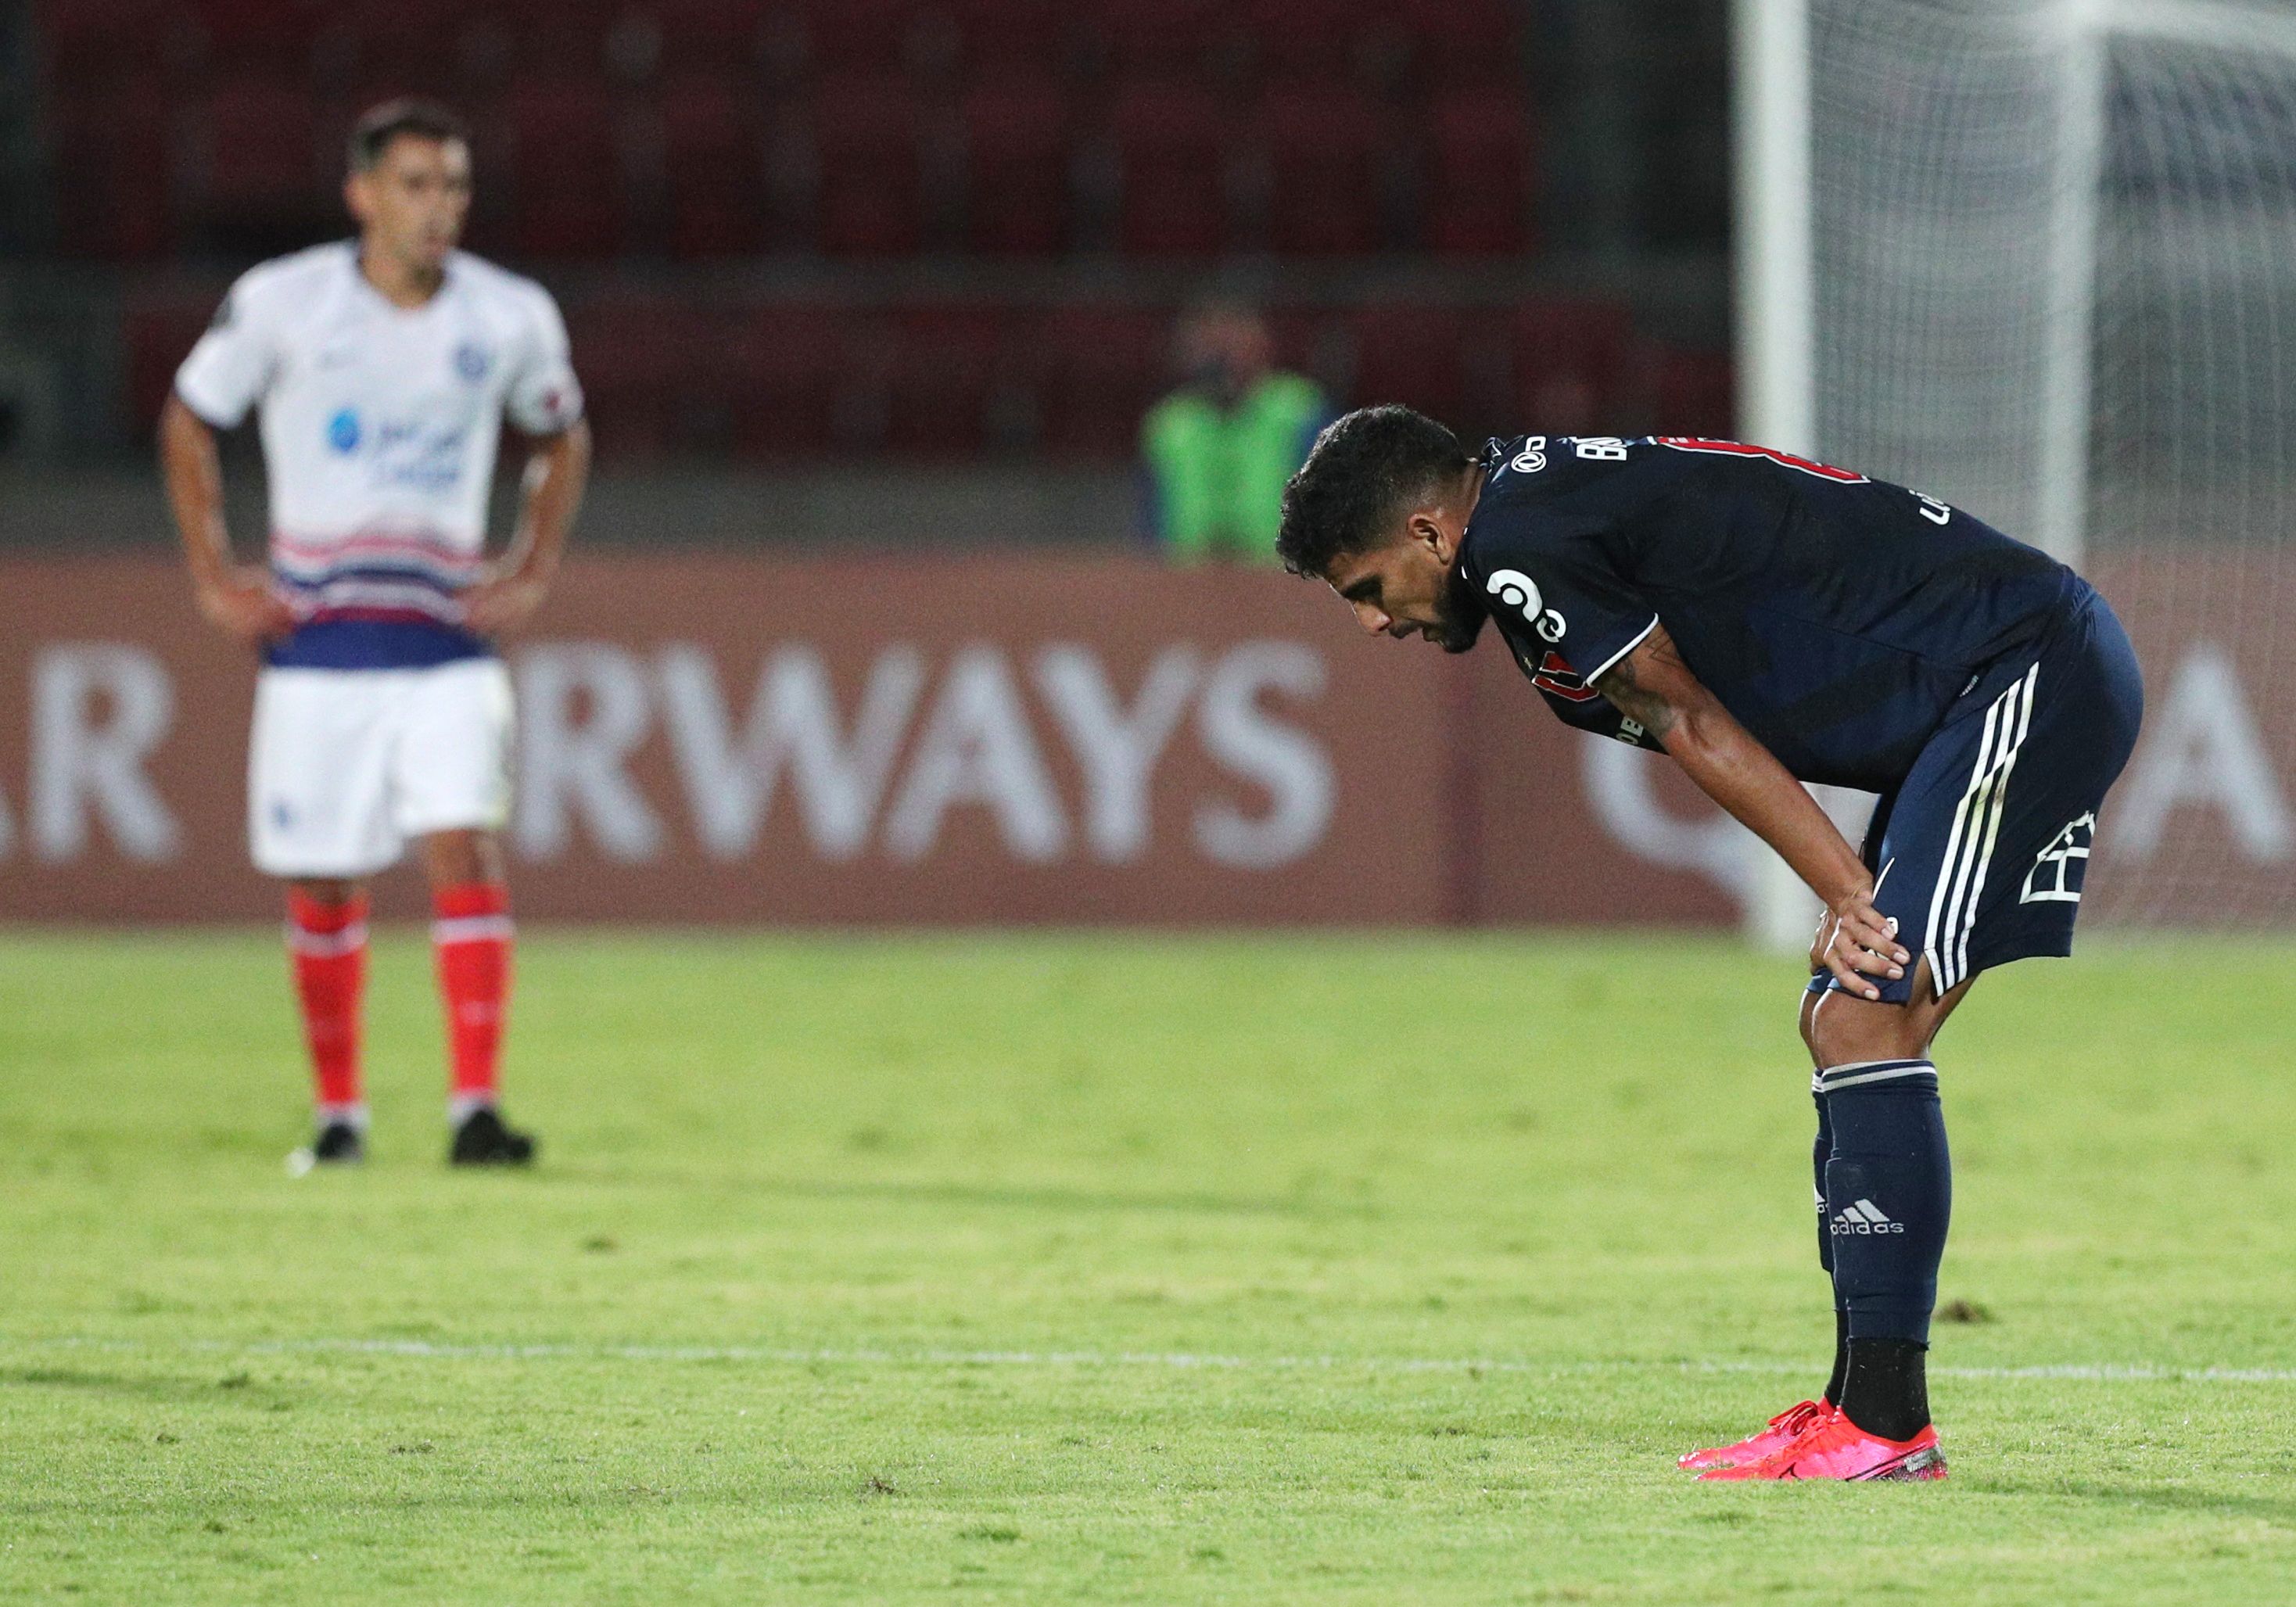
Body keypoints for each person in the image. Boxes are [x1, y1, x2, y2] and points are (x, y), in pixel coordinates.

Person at [1274, 407, 2144, 1481]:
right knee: (1844, 1022)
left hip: (2023, 670)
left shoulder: (1521, 538)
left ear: (1427, 532)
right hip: (1981, 690)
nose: (1374, 624)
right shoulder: (1530, 512)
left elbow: (1681, 711)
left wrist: (1843, 890)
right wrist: (1845, 887)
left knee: (1860, 1012)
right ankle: (1857, 1406)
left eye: (1366, 591)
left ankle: (1883, 1425)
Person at [159, 99, 590, 1168]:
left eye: (452, 186)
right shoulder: (283, 302)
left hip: (446, 639)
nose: (437, 207)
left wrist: (531, 564)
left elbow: (562, 434)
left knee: (464, 838)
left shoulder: (509, 314)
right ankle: (340, 1116)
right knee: (324, 880)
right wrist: (214, 573)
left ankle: (474, 1109)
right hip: (318, 646)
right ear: (361, 195)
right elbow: (189, 418)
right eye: (414, 185)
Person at [1140, 301, 1327, 563]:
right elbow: (1151, 518)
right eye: (1210, 347)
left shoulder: (1299, 409)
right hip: (1190, 576)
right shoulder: (1170, 423)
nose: (1222, 359)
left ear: (1262, 347)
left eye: (1233, 346)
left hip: (1279, 578)